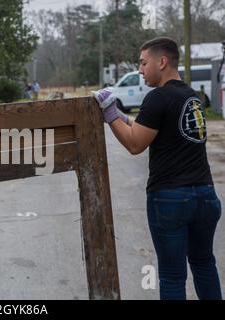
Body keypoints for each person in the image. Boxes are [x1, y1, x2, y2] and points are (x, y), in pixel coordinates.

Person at [93, 37, 222, 300]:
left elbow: (134, 144)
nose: (140, 70)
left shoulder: (157, 97)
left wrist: (108, 113)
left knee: (173, 276)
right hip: (206, 197)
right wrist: (121, 116)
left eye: (143, 63)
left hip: (170, 199)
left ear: (161, 62)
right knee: (204, 264)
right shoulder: (193, 97)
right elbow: (156, 130)